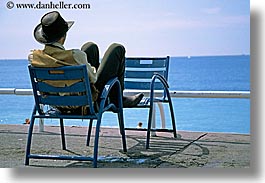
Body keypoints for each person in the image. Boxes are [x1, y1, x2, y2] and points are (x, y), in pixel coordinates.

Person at [29, 11, 144, 114]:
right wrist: (93, 69)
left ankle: (116, 98)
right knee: (116, 48)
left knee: (90, 47)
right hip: (86, 104)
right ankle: (118, 99)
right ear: (64, 36)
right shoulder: (75, 56)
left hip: (57, 105)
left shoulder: (35, 58)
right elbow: (94, 79)